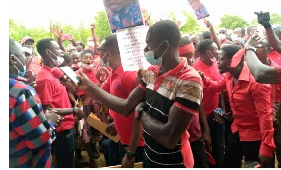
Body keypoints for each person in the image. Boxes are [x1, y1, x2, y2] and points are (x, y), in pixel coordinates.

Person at [70, 20, 203, 168]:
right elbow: (127, 107)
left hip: (174, 161)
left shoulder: (189, 80)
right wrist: (89, 88)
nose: (145, 49)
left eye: (149, 44)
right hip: (150, 155)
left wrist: (141, 113)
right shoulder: (152, 72)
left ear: (164, 45)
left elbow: (169, 137)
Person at [200, 44, 275, 168]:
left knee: (253, 164)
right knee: (230, 163)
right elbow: (217, 87)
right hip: (236, 129)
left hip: (254, 136)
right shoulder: (229, 74)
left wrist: (266, 147)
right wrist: (202, 78)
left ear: (233, 60)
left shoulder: (256, 82)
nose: (217, 62)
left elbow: (265, 116)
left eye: (221, 59)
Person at [9, 38, 60, 167]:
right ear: (13, 59)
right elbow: (42, 140)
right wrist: (50, 120)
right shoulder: (19, 92)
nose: (28, 59)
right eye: (23, 55)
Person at [96, 34, 145, 167]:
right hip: (122, 138)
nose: (99, 56)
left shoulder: (129, 75)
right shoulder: (114, 73)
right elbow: (99, 93)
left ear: (107, 53)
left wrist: (131, 152)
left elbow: (139, 114)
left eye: (100, 52)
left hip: (136, 144)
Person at [35, 38, 84, 168]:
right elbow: (47, 111)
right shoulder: (45, 78)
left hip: (67, 126)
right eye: (57, 49)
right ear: (48, 52)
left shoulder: (55, 72)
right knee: (66, 164)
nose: (61, 52)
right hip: (61, 131)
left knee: (69, 160)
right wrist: (73, 111)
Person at [244, 18, 281, 167]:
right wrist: (267, 25)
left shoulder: (277, 68)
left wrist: (279, 114)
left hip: (278, 115)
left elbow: (261, 75)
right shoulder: (245, 69)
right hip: (261, 118)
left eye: (260, 46)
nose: (257, 49)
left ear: (269, 51)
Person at [178, 37, 211, 168]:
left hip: (196, 138)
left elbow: (199, 103)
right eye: (186, 58)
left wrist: (206, 130)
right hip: (178, 142)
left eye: (192, 57)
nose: (191, 62)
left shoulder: (193, 76)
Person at [193, 39, 225, 167]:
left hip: (216, 115)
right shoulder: (195, 69)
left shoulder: (216, 65)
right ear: (208, 52)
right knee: (206, 151)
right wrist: (205, 128)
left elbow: (220, 88)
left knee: (219, 149)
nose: (218, 51)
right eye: (215, 49)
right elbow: (197, 99)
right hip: (202, 119)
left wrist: (222, 108)